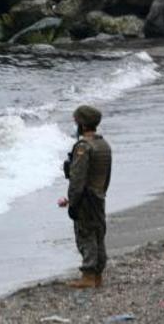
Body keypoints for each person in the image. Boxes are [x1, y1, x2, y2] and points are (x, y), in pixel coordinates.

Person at [59, 105, 112, 289]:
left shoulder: (83, 147)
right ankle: (97, 274)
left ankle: (88, 275)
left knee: (86, 234)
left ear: (81, 124)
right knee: (98, 233)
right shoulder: (103, 144)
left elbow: (77, 179)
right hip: (98, 196)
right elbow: (107, 176)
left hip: (86, 198)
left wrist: (72, 202)